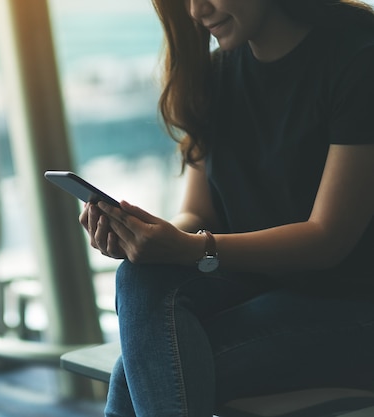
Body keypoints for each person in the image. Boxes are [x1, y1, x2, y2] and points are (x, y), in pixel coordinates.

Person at [79, 0, 374, 415]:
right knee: (138, 276)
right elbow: (199, 216)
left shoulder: (357, 60)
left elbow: (329, 239)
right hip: (265, 288)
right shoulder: (217, 76)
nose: (197, 10)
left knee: (139, 374)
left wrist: (189, 249)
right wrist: (146, 238)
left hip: (353, 305)